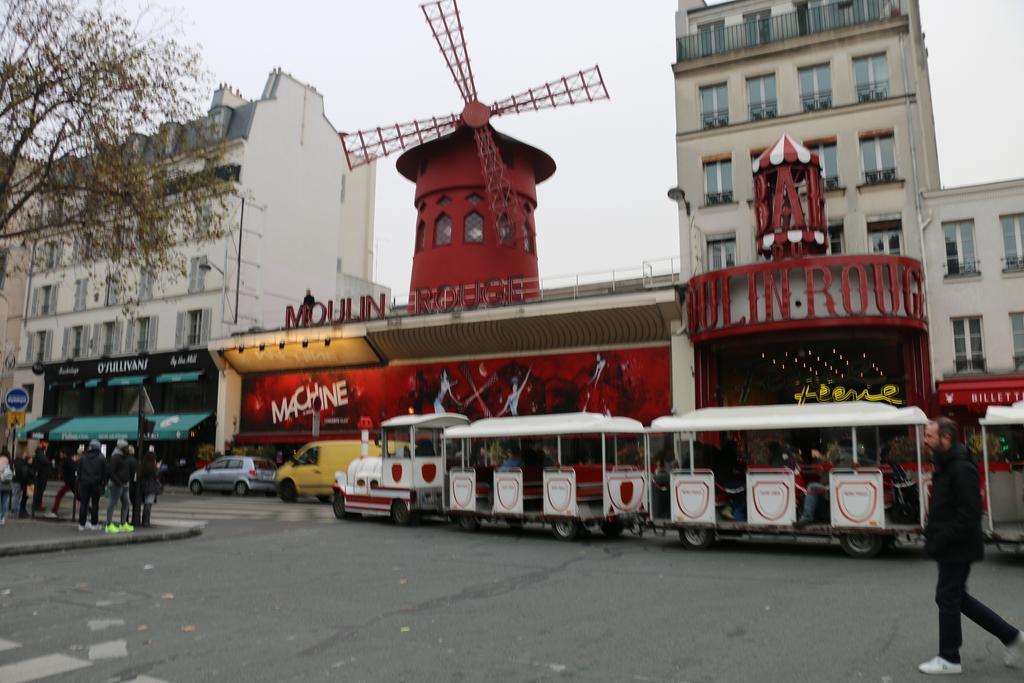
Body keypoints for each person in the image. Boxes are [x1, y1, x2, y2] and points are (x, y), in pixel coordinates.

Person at [918, 417, 1023, 675]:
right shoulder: (946, 463)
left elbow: (970, 512)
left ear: (945, 438)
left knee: (947, 596)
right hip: (954, 545)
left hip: (957, 546)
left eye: (930, 436)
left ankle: (949, 658)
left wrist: (941, 538)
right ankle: (1013, 637)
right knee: (956, 598)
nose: (925, 440)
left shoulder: (960, 467)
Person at [77, 440, 106, 531]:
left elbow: (79, 470)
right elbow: (105, 472)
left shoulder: (83, 457)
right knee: (95, 504)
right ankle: (94, 523)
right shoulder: (101, 458)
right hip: (96, 484)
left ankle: (81, 524)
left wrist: (80, 481)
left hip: (84, 483)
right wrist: (103, 483)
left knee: (84, 503)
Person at [105, 439, 133, 533]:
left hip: (124, 484)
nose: (128, 448)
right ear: (122, 448)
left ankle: (123, 523)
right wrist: (118, 482)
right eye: (126, 447)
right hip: (117, 484)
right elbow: (111, 472)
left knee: (126, 503)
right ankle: (109, 524)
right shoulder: (115, 457)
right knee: (112, 503)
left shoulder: (123, 456)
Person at [48, 447, 80, 519]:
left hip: (69, 482)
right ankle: (89, 509)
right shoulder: (69, 460)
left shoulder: (67, 461)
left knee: (59, 496)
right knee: (79, 496)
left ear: (64, 453)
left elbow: (72, 469)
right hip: (72, 482)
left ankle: (54, 511)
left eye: (61, 453)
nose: (60, 454)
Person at [138, 450, 161, 528]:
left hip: (144, 486)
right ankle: (146, 522)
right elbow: (156, 475)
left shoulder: (143, 465)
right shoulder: (152, 466)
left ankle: (144, 521)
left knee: (146, 504)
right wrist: (157, 468)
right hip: (150, 487)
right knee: (148, 504)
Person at [12, 449, 31, 519]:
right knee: (17, 495)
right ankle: (16, 509)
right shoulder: (21, 462)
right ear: (22, 455)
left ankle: (15, 508)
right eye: (25, 455)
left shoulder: (15, 461)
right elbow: (21, 472)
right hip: (18, 481)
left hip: (15, 480)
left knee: (16, 495)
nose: (26, 456)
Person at [125, 445, 140, 526]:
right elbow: (136, 474)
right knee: (134, 504)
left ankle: (125, 520)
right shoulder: (135, 461)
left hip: (125, 483)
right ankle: (134, 520)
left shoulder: (124, 460)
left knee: (125, 504)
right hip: (133, 485)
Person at [0, 450, 12, 526]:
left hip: (0, 484)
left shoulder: (0, 460)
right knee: (4, 502)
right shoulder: (9, 462)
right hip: (7, 485)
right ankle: (2, 518)